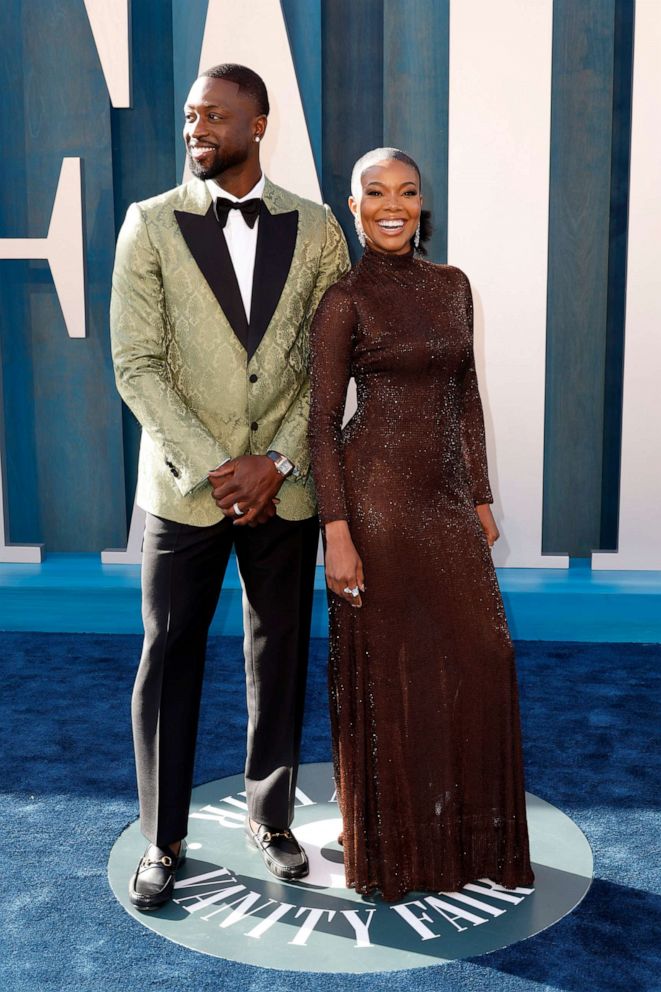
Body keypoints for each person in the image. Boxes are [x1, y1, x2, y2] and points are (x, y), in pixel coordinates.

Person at [110, 63, 349, 911]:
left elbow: (331, 370)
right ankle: (161, 840)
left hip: (283, 489)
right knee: (169, 656)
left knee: (275, 652)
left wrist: (276, 462)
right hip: (184, 488)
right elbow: (136, 366)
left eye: (213, 115)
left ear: (259, 123)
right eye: (188, 116)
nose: (195, 129)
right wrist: (220, 465)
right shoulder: (148, 225)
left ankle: (270, 818)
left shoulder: (319, 230)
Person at [308, 147, 534, 902]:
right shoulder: (344, 299)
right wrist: (335, 532)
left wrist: (478, 498)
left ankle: (469, 843)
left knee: (481, 656)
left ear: (421, 205)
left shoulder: (452, 286)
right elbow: (319, 426)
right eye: (375, 193)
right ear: (353, 205)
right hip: (375, 506)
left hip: (442, 502)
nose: (391, 205)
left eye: (405, 192)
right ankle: (394, 850)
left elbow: (464, 393)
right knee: (390, 676)